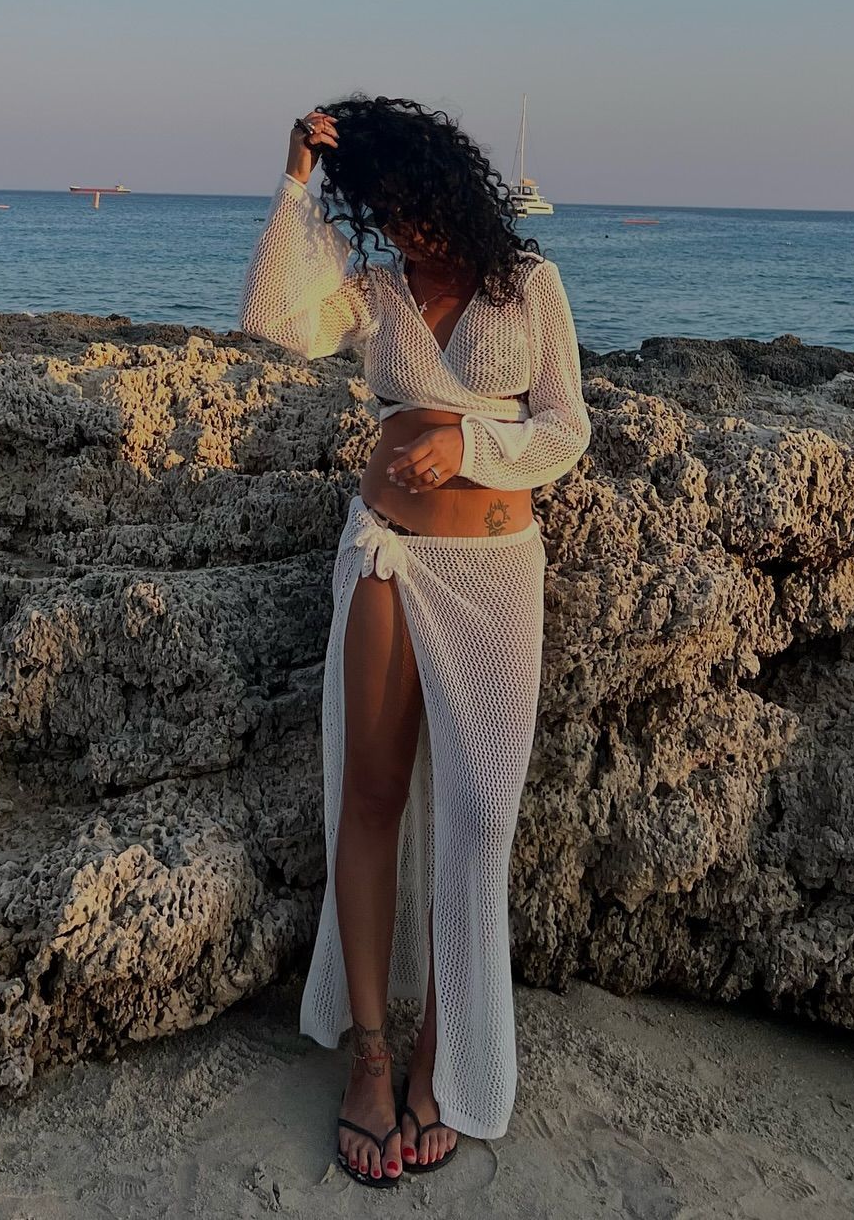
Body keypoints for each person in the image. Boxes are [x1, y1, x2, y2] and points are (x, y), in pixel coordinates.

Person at [238, 94, 592, 1187]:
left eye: (411, 205)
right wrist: (298, 181)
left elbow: (565, 428)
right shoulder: (378, 290)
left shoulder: (528, 285)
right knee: (373, 793)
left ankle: (444, 1047)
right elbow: (274, 320)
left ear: (450, 187)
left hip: (494, 571)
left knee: (480, 814)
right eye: (381, 210)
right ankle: (373, 1054)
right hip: (386, 555)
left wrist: (469, 446)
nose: (401, 228)